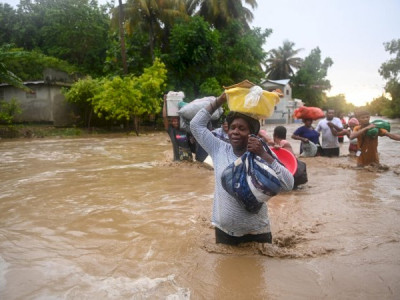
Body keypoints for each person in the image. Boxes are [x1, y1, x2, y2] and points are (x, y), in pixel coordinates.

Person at [190, 93, 294, 246]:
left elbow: (289, 184)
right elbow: (195, 125)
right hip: (225, 233)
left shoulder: (261, 152)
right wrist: (220, 100)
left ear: (251, 133)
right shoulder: (218, 149)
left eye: (241, 128)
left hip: (258, 233)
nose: (235, 132)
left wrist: (264, 154)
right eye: (232, 128)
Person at [163, 96, 193, 161]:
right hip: (177, 161)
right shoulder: (172, 131)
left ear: (180, 121)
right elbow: (165, 117)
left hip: (189, 159)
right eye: (173, 121)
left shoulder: (186, 129)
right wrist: (165, 102)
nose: (175, 123)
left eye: (177, 121)